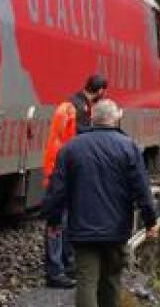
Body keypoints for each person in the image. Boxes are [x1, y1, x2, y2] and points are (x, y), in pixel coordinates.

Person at [41, 99, 160, 307]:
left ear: (91, 119)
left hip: (82, 229)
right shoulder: (129, 148)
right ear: (116, 119)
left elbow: (56, 191)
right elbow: (142, 190)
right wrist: (151, 222)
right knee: (111, 280)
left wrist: (53, 221)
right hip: (116, 230)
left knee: (86, 281)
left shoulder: (71, 148)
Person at [42, 74, 109, 289]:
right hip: (62, 172)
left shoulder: (72, 105)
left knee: (65, 218)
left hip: (60, 170)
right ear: (100, 91)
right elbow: (80, 141)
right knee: (57, 220)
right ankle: (56, 271)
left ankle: (64, 265)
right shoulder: (78, 110)